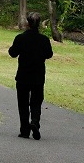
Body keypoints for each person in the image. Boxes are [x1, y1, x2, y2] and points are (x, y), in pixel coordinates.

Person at [8, 11, 53, 140]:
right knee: (36, 101)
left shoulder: (20, 38)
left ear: (28, 23)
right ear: (39, 24)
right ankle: (35, 122)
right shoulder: (44, 40)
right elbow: (49, 54)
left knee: (23, 103)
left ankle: (24, 130)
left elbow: (13, 53)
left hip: (23, 75)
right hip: (38, 76)